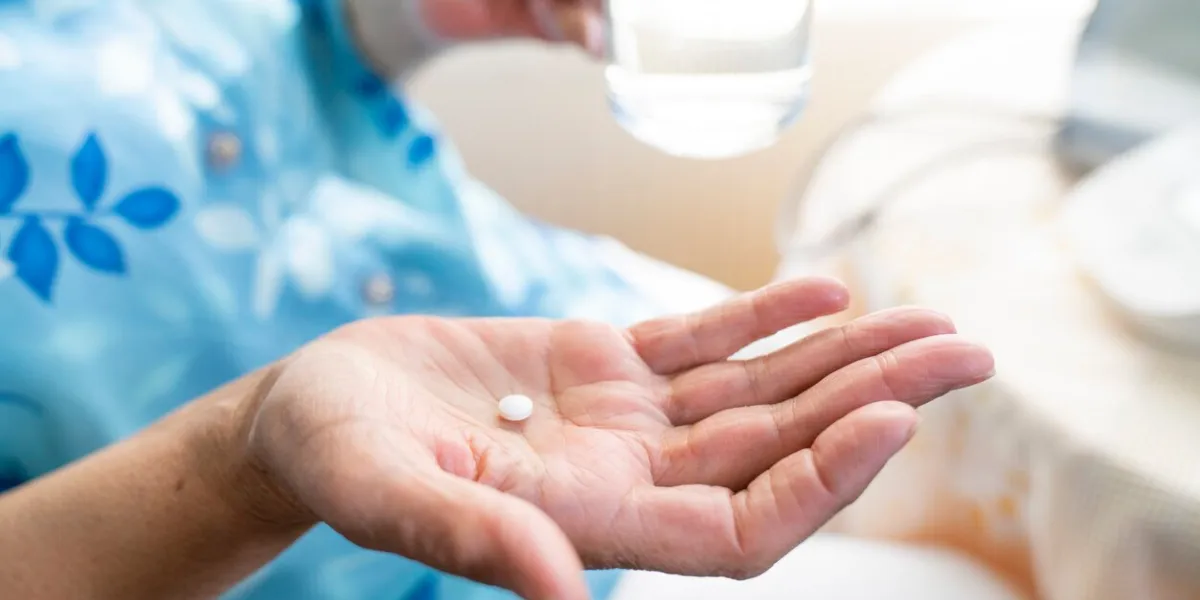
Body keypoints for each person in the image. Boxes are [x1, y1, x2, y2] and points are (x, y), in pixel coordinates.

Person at [0, 1, 996, 598]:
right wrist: (242, 459)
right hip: (430, 530)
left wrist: (401, 18)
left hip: (571, 329)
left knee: (992, 424)